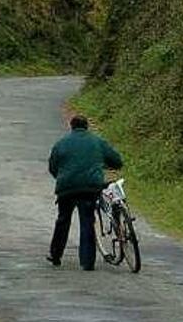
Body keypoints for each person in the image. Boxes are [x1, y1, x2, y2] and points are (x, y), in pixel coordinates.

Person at [47, 115, 123, 270]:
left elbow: (53, 167)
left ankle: (55, 255)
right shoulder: (97, 141)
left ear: (71, 126)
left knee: (63, 219)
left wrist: (63, 177)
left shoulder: (61, 144)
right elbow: (116, 161)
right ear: (87, 126)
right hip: (90, 187)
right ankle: (87, 262)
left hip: (66, 188)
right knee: (87, 221)